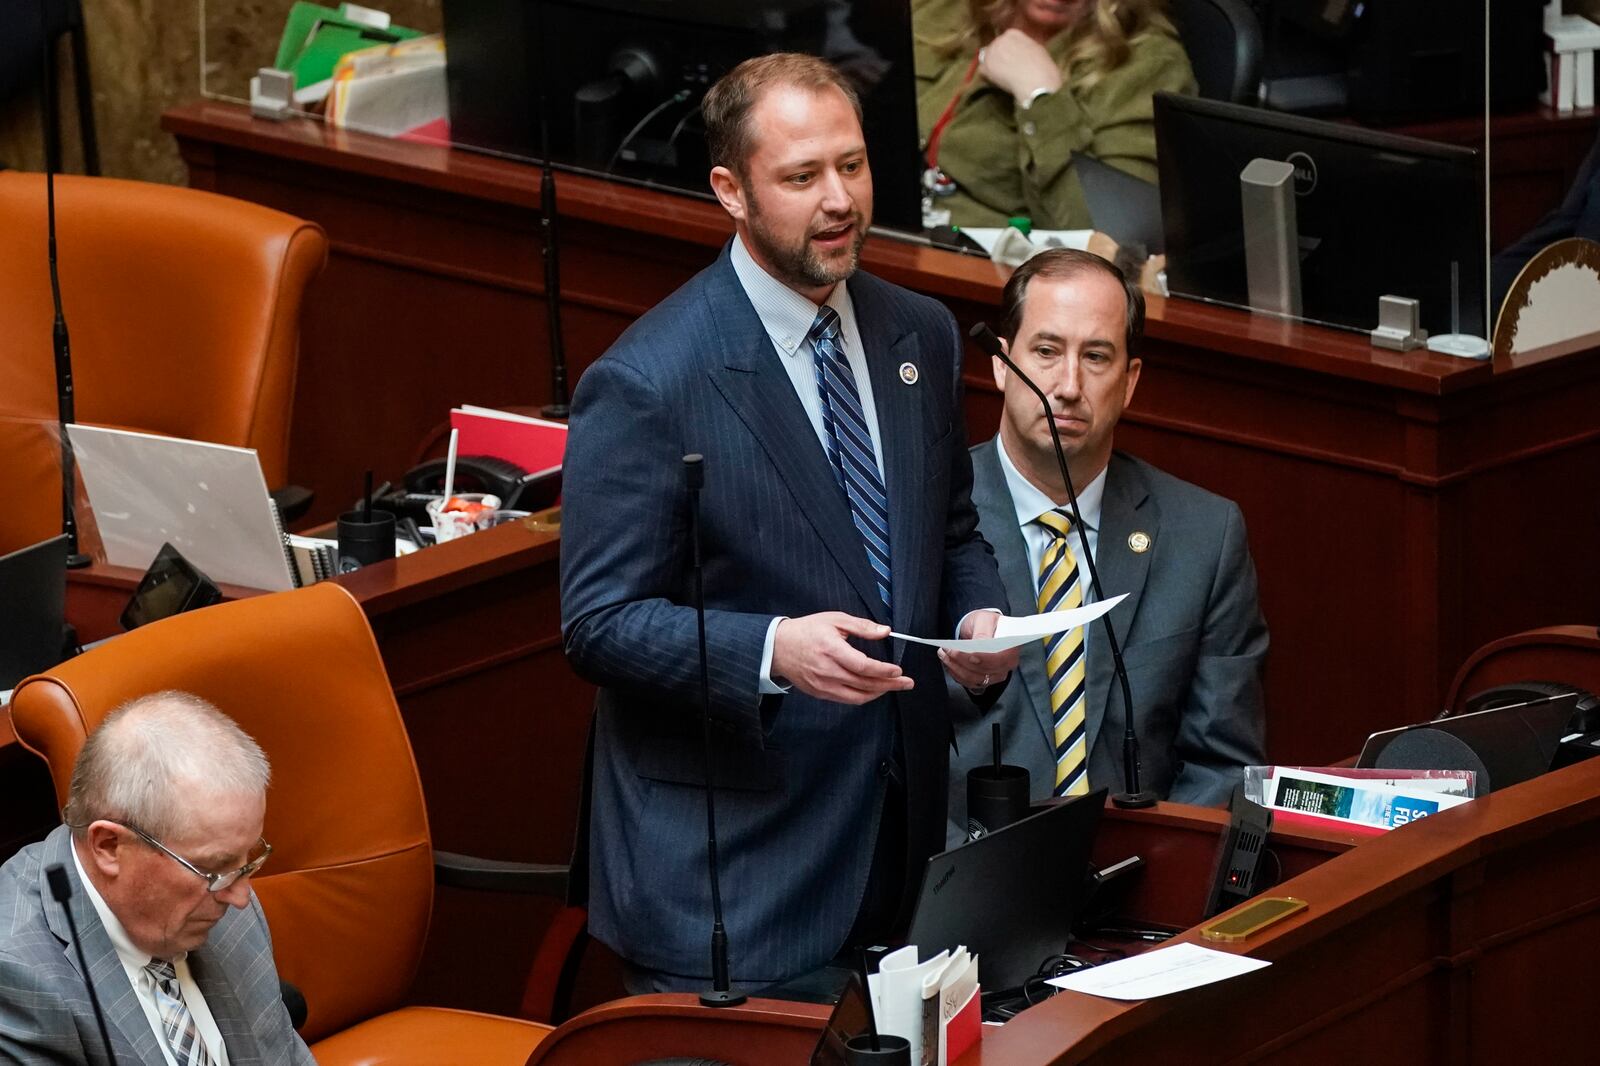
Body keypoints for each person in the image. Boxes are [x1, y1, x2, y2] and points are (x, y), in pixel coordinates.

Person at [560, 52, 1017, 992]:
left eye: (851, 166)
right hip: (733, 876)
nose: (840, 199)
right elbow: (597, 623)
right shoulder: (650, 381)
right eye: (802, 177)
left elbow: (953, 532)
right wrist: (772, 649)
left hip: (897, 840)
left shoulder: (919, 334)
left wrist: (977, 618)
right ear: (730, 190)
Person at [946, 248, 1266, 847]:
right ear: (1000, 365)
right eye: (1045, 352)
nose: (1067, 387)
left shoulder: (1205, 535)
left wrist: (1151, 877)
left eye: (1096, 357)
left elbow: (1221, 763)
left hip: (1135, 891)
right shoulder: (926, 520)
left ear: (1131, 381)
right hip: (959, 894)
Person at [0, 691, 313, 1064]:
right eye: (213, 867)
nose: (242, 897)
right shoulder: (17, 977)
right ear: (109, 846)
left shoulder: (225, 896)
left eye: (246, 861)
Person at [913, 0, 1196, 230]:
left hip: (1004, 271)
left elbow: (1111, 241)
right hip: (894, 236)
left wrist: (1040, 96)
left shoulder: (1149, 63)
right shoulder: (943, 9)